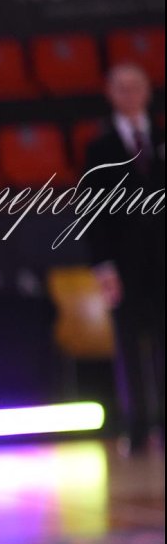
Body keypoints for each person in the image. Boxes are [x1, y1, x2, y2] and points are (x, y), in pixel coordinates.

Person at [84, 63, 165, 453]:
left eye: (136, 87)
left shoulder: (161, 139)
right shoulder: (99, 148)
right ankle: (136, 428)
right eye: (122, 88)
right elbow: (93, 212)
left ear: (148, 91)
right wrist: (103, 266)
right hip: (124, 264)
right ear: (110, 94)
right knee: (130, 346)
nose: (130, 94)